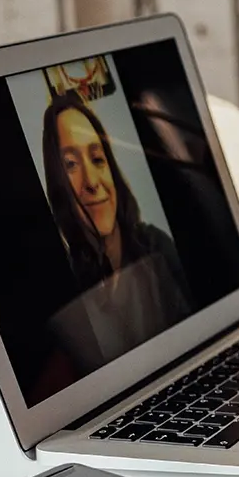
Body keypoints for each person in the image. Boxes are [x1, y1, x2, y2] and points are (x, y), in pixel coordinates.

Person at [41, 92, 192, 365]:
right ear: (57, 183)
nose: (92, 182)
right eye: (71, 165)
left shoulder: (157, 247)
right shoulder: (66, 287)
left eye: (98, 159)